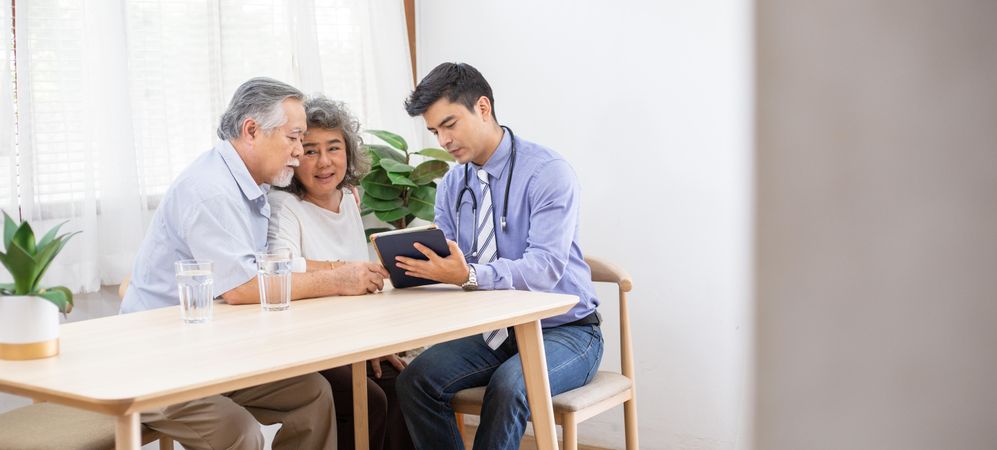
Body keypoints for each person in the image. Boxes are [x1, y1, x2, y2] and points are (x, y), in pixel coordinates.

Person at [121, 77, 387, 450]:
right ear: (251, 131)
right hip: (160, 363)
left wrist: (334, 268)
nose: (299, 152)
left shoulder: (251, 184)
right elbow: (243, 286)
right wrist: (341, 279)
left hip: (214, 354)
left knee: (312, 395)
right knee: (240, 432)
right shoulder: (211, 191)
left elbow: (273, 264)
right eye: (294, 138)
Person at [393, 62, 604, 449]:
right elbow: (452, 260)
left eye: (450, 124)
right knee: (416, 380)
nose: (443, 140)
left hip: (567, 333)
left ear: (484, 108)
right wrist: (416, 267)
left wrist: (469, 276)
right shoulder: (453, 184)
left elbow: (545, 269)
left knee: (509, 388)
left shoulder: (547, 173)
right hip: (497, 336)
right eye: (435, 131)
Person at [267, 96, 415, 450]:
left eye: (333, 148)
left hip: (350, 341)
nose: (324, 162)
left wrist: (374, 345)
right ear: (293, 155)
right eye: (310, 150)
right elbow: (280, 271)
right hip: (307, 347)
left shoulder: (350, 198)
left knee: (406, 385)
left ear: (348, 152)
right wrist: (343, 273)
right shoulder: (284, 204)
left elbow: (362, 288)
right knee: (370, 400)